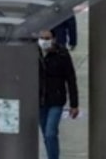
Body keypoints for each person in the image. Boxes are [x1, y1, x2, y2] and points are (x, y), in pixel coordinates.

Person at [38, 29, 79, 159]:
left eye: (47, 38)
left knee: (50, 133)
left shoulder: (62, 54)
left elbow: (71, 79)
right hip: (39, 100)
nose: (44, 41)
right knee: (46, 134)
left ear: (54, 39)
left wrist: (74, 104)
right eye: (42, 38)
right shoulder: (34, 53)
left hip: (56, 100)